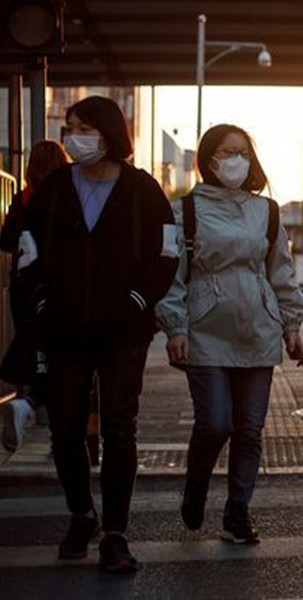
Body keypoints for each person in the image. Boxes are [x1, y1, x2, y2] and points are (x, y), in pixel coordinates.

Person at [17, 96, 178, 572]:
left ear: (109, 134)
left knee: (119, 426)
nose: (73, 136)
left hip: (125, 331)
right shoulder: (54, 188)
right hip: (65, 329)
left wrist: (136, 302)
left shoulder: (143, 189)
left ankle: (115, 533)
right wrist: (42, 298)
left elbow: (166, 256)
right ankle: (81, 513)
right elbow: (27, 247)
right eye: (69, 127)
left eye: (83, 127)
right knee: (65, 428)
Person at [156, 124, 303, 544]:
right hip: (205, 328)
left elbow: (281, 272)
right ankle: (197, 483)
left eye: (242, 151)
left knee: (250, 429)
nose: (235, 159)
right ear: (208, 159)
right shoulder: (184, 211)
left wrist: (292, 323)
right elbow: (172, 277)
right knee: (215, 422)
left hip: (257, 328)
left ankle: (237, 512)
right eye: (226, 151)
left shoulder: (267, 211)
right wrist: (174, 326)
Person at [0, 140, 68, 452]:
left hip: (23, 288)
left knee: (34, 348)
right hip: (57, 287)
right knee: (64, 357)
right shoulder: (67, 196)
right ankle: (40, 412)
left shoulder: (23, 198)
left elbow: (6, 238)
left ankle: (28, 400)